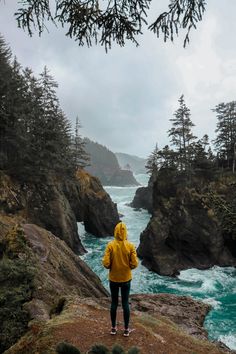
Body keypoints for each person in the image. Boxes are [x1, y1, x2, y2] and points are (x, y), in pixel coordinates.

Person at [102, 221, 138, 337]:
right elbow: (134, 264)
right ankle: (126, 329)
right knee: (125, 303)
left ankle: (113, 328)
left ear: (115, 232)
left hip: (113, 279)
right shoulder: (130, 246)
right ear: (125, 232)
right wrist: (128, 267)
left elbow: (106, 264)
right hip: (126, 279)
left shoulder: (110, 245)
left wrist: (112, 266)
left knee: (114, 303)